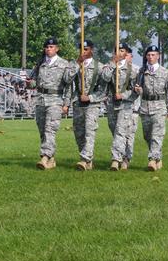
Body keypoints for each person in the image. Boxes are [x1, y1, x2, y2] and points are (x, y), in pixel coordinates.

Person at [27, 37, 73, 170]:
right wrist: (30, 83)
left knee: (50, 129)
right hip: (41, 100)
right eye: (47, 47)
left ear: (57, 49)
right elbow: (34, 82)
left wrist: (66, 104)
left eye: (51, 47)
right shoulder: (40, 63)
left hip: (55, 100)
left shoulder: (64, 64)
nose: (49, 49)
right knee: (42, 130)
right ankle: (51, 159)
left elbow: (68, 86)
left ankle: (44, 157)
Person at [133, 45, 168, 171]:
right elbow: (137, 89)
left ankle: (152, 160)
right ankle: (158, 156)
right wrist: (137, 90)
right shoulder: (141, 72)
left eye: (153, 55)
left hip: (160, 107)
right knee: (148, 136)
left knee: (157, 135)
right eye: (148, 55)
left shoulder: (165, 72)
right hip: (145, 106)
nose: (151, 57)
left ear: (158, 56)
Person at [70, 40, 107, 171]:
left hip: (92, 104)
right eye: (81, 49)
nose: (83, 52)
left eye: (86, 49)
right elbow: (67, 79)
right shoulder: (75, 65)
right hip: (78, 102)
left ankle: (84, 159)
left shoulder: (100, 67)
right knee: (79, 132)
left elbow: (103, 90)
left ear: (91, 50)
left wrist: (90, 97)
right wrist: (77, 64)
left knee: (89, 131)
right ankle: (88, 160)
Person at [102, 42, 139, 171]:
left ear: (126, 53)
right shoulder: (109, 66)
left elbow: (136, 91)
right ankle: (126, 156)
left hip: (126, 105)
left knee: (120, 131)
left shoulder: (133, 70)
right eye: (117, 50)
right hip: (112, 105)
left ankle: (115, 159)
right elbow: (104, 78)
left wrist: (123, 95)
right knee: (116, 131)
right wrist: (113, 63)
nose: (119, 53)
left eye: (122, 50)